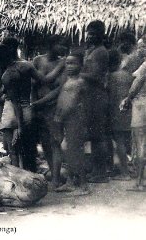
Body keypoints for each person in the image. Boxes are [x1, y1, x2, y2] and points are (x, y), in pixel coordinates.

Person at [0, 40, 64, 172]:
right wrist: (60, 67)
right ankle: (30, 176)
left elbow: (12, 102)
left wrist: (3, 92)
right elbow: (44, 80)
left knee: (13, 151)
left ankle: (18, 178)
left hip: (12, 111)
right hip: (27, 110)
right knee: (28, 149)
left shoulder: (6, 75)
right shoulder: (26, 66)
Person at [51, 52, 90, 195]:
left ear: (81, 65)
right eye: (67, 63)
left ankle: (83, 186)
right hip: (67, 120)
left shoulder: (79, 82)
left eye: (73, 63)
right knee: (67, 150)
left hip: (75, 120)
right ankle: (70, 181)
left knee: (75, 151)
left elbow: (71, 103)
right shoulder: (68, 80)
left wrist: (59, 118)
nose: (69, 66)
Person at [31, 35, 68, 189]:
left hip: (53, 107)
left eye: (66, 46)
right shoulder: (37, 60)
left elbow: (59, 90)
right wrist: (34, 103)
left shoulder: (64, 64)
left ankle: (57, 179)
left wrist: (39, 103)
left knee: (55, 143)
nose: (64, 49)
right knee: (45, 143)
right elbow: (33, 85)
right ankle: (54, 174)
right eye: (61, 45)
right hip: (39, 108)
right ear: (52, 44)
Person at [80, 20, 110, 183]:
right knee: (93, 135)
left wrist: (79, 72)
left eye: (92, 33)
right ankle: (97, 170)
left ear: (100, 35)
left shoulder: (100, 52)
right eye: (88, 32)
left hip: (97, 96)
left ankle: (101, 173)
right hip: (90, 96)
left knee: (98, 136)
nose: (89, 36)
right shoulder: (92, 51)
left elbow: (95, 76)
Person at [120, 42, 146, 191]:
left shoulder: (145, 66)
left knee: (140, 143)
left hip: (142, 104)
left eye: (142, 46)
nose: (139, 49)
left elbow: (137, 84)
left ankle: (140, 182)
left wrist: (128, 99)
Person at [107, 49, 133, 180]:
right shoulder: (128, 75)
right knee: (129, 141)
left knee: (120, 142)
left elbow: (111, 97)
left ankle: (125, 173)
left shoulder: (111, 77)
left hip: (117, 112)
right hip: (129, 111)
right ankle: (130, 169)